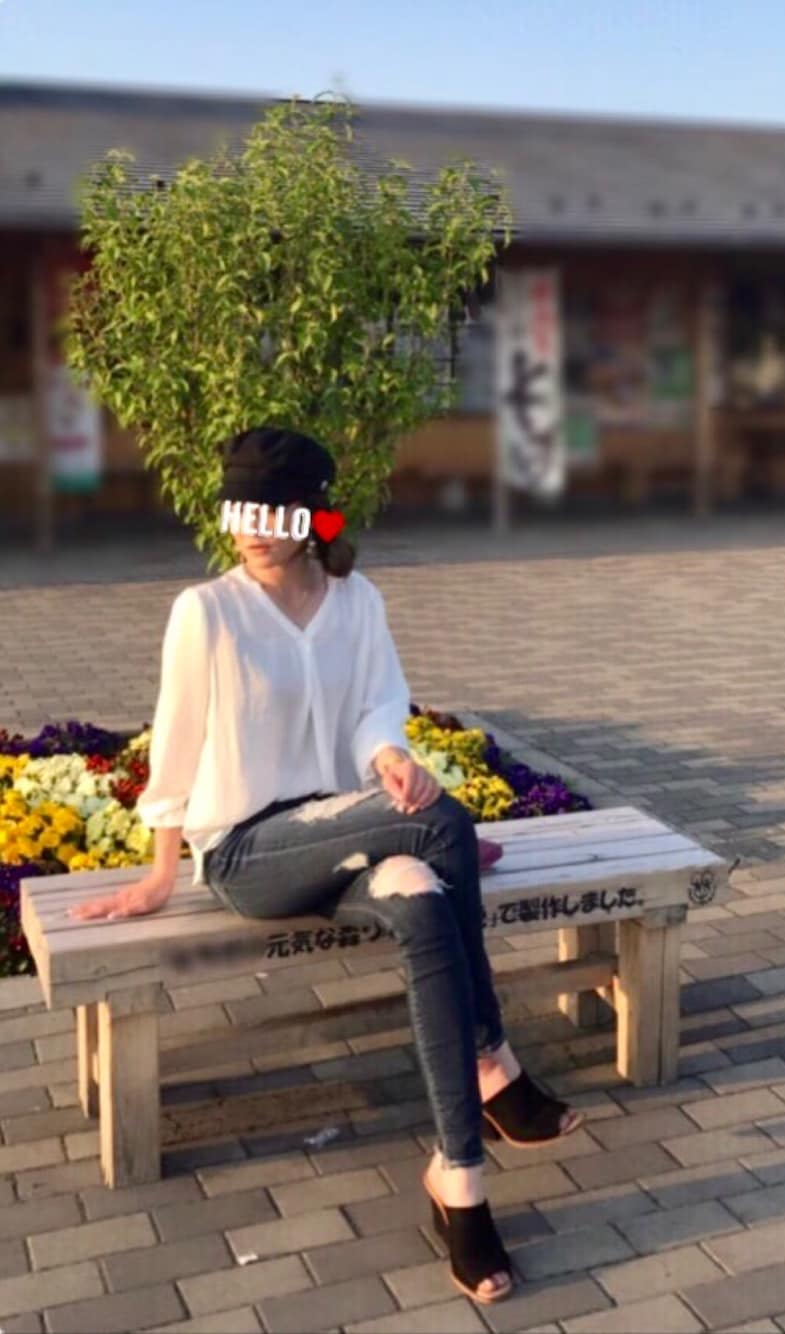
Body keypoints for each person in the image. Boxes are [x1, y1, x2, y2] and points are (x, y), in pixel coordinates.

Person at [68, 427, 582, 1305]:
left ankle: (458, 1178)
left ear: (313, 515)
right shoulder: (208, 612)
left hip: (347, 833)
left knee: (424, 898)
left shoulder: (356, 602)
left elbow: (377, 709)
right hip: (251, 851)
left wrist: (389, 758)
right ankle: (494, 1063)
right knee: (439, 827)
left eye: (271, 512)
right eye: (240, 512)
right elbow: (176, 744)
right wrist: (159, 873)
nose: (252, 531)